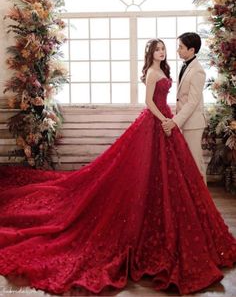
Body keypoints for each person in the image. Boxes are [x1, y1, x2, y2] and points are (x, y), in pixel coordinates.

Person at [0, 38, 235, 296]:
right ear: (150, 53)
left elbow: (185, 99)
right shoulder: (153, 72)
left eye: (166, 48)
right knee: (145, 172)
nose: (165, 51)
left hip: (171, 122)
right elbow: (149, 103)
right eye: (159, 49)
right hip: (159, 121)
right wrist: (164, 120)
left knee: (180, 172)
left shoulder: (172, 69)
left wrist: (170, 121)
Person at [162, 33, 207, 183]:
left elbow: (192, 102)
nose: (177, 50)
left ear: (192, 50)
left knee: (195, 163)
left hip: (193, 123)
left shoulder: (197, 71)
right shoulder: (186, 65)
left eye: (181, 47)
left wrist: (175, 121)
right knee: (188, 162)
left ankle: (203, 203)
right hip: (185, 121)